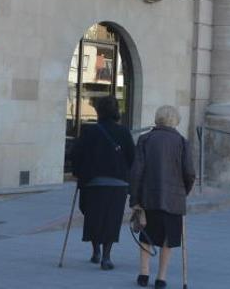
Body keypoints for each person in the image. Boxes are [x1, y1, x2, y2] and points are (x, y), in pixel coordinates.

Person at [130, 106, 196, 288]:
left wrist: (134, 199)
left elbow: (136, 172)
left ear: (157, 119)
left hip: (148, 196)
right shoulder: (182, 142)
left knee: (146, 234)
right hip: (174, 198)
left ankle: (143, 274)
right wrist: (184, 191)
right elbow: (189, 173)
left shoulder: (145, 139)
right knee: (168, 238)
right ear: (176, 121)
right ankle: (161, 277)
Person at [70, 96, 135, 270]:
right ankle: (107, 256)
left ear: (99, 111)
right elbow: (132, 157)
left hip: (93, 182)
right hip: (117, 183)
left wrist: (78, 173)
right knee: (111, 219)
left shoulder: (89, 131)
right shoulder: (124, 132)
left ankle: (96, 250)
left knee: (93, 216)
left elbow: (75, 154)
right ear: (116, 112)